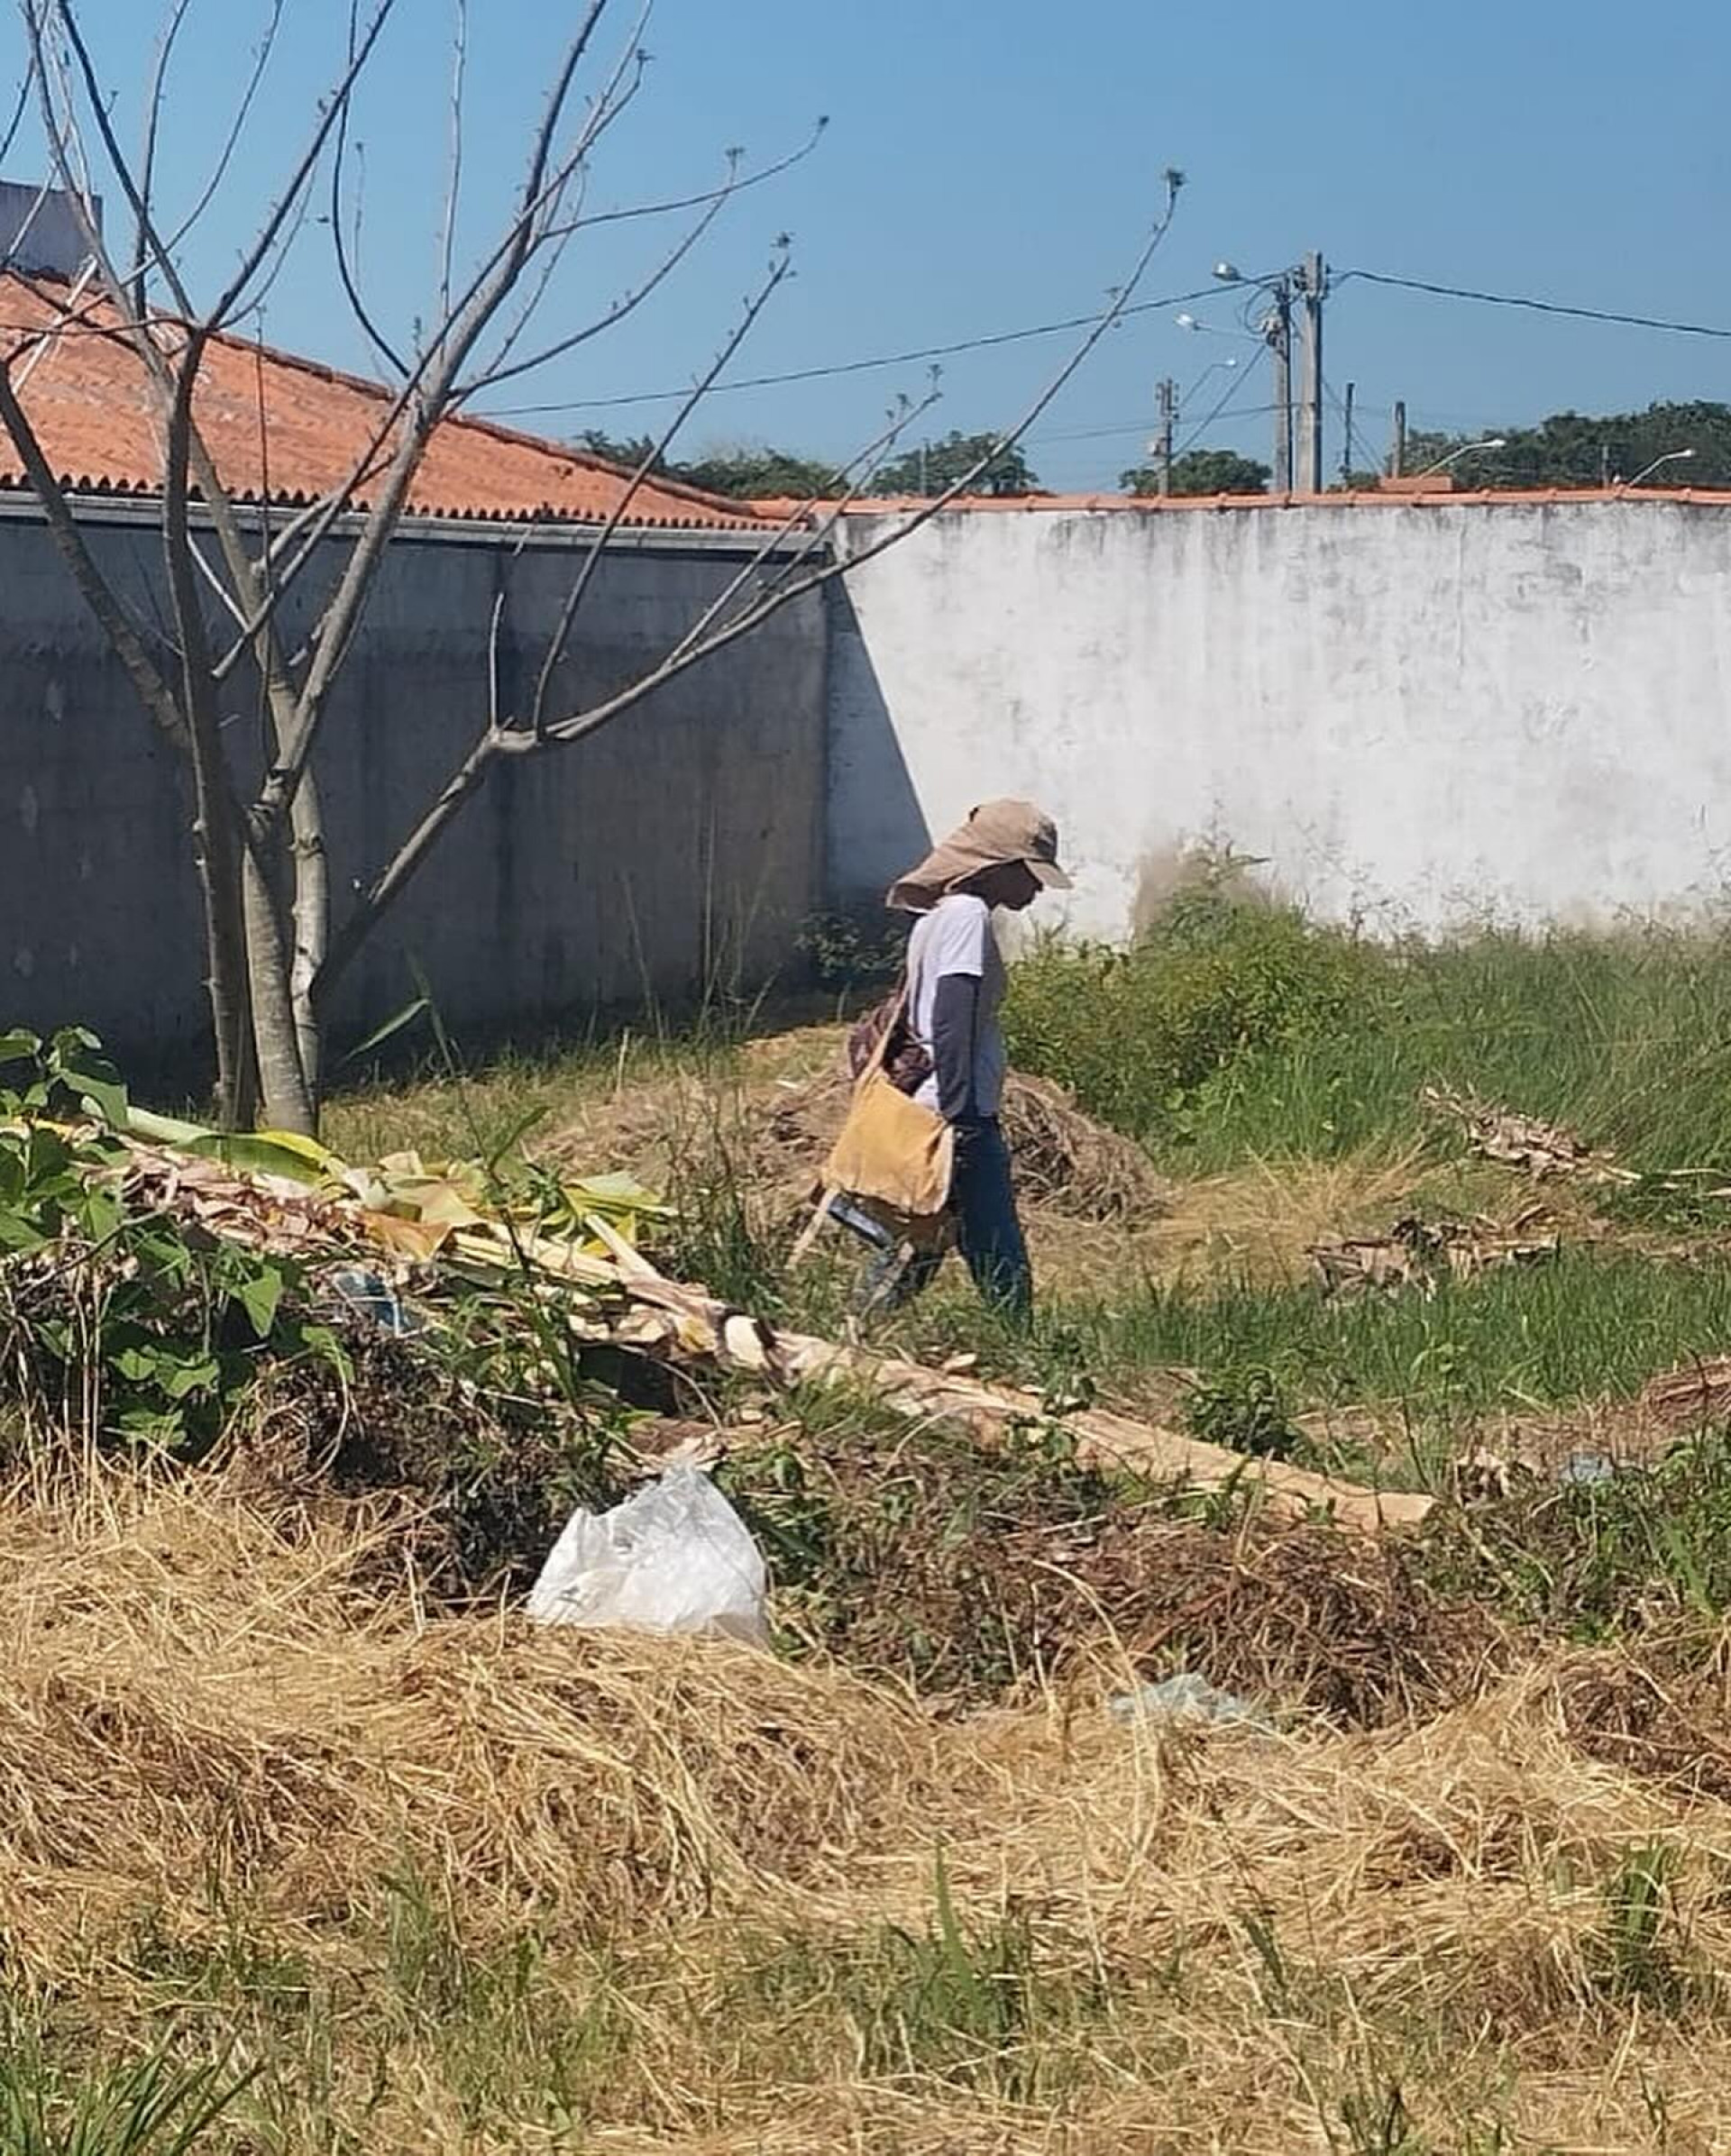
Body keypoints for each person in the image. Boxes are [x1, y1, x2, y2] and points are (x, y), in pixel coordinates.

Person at [856, 799, 1071, 1327]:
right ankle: (1022, 1345)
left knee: (921, 1240)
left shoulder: (939, 917)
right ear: (995, 865)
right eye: (1029, 873)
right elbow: (951, 1019)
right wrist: (957, 1119)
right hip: (959, 1110)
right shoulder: (967, 917)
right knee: (996, 1245)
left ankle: (859, 1329)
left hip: (942, 1104)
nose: (1037, 888)